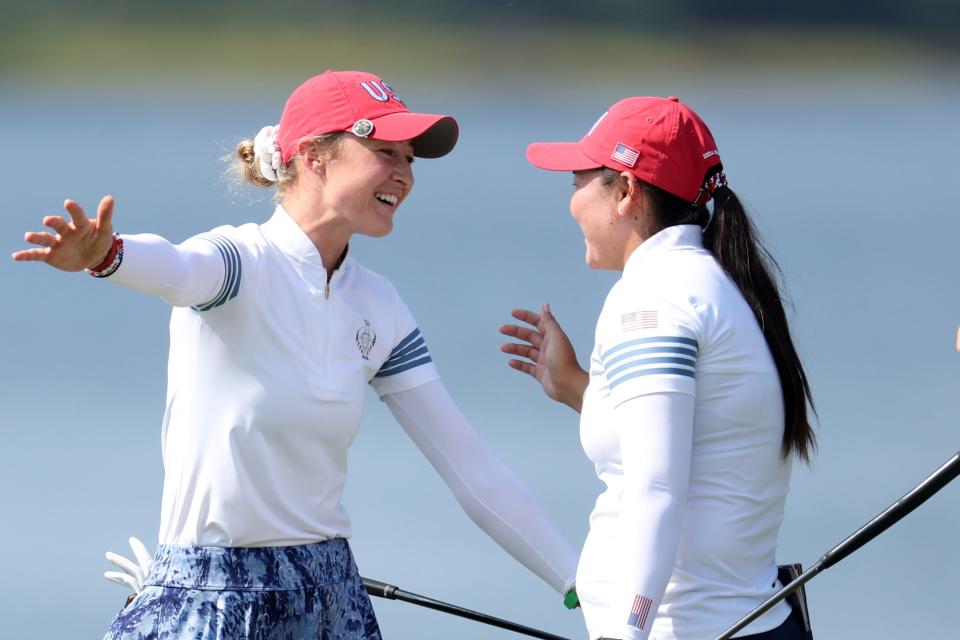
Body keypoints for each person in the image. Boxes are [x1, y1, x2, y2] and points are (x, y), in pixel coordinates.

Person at [13, 70, 577, 640]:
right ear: (314, 156)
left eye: (410, 159)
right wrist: (106, 254)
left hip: (334, 599)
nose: (404, 175)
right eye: (385, 152)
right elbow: (177, 267)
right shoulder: (238, 262)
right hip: (211, 597)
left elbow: (472, 468)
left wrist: (582, 587)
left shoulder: (378, 305)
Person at [499, 96, 816, 640]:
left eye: (579, 180)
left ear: (625, 191)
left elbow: (656, 491)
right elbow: (694, 434)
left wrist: (626, 633)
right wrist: (576, 386)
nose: (571, 199)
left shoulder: (651, 299)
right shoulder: (718, 283)